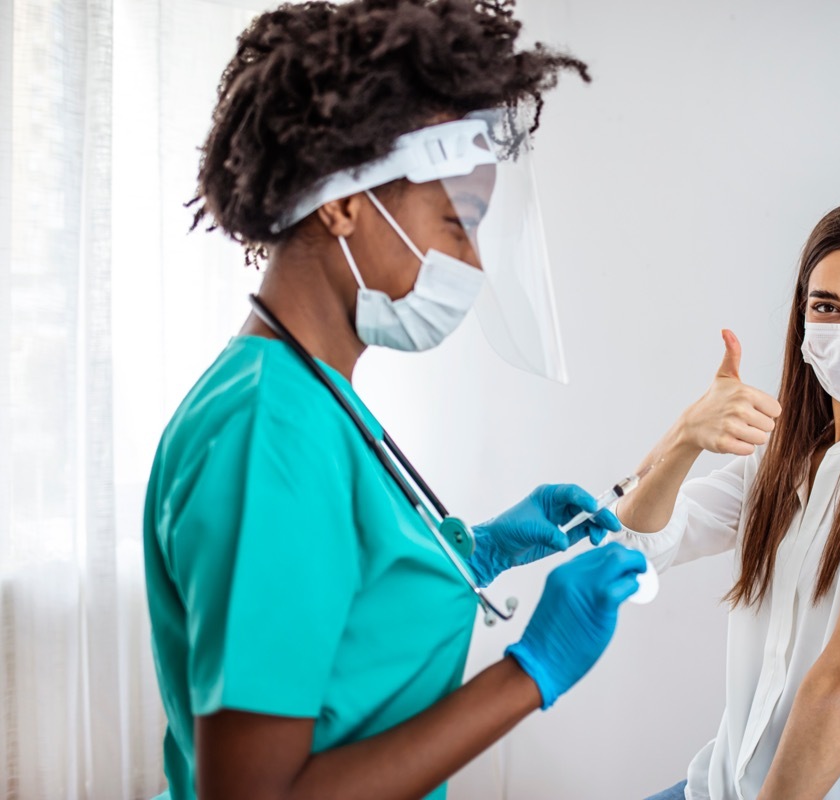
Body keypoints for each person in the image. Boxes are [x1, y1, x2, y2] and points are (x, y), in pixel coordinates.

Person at [141, 2, 647, 799]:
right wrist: (530, 672)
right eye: (457, 221)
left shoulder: (306, 392)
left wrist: (474, 553)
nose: (471, 260)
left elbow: (339, 609)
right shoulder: (268, 431)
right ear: (341, 202)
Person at [618, 197, 840, 800]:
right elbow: (631, 548)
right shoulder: (783, 454)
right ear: (803, 322)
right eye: (828, 308)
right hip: (721, 785)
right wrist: (687, 436)